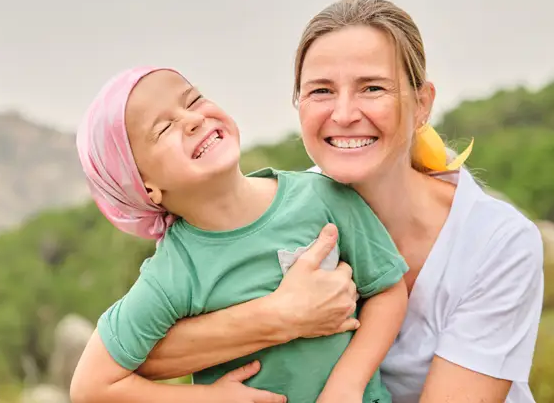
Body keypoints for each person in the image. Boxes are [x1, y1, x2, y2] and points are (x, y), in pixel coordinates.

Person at [138, 0, 545, 403]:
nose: (345, 113)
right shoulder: (276, 208)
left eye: (372, 88)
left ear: (421, 104)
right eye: (321, 91)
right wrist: (280, 316)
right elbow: (137, 354)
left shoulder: (498, 242)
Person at [69, 65, 409, 403]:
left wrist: (346, 386)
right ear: (145, 187)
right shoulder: (173, 271)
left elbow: (387, 291)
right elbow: (92, 386)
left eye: (193, 100)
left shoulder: (323, 196)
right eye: (164, 127)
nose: (192, 119)